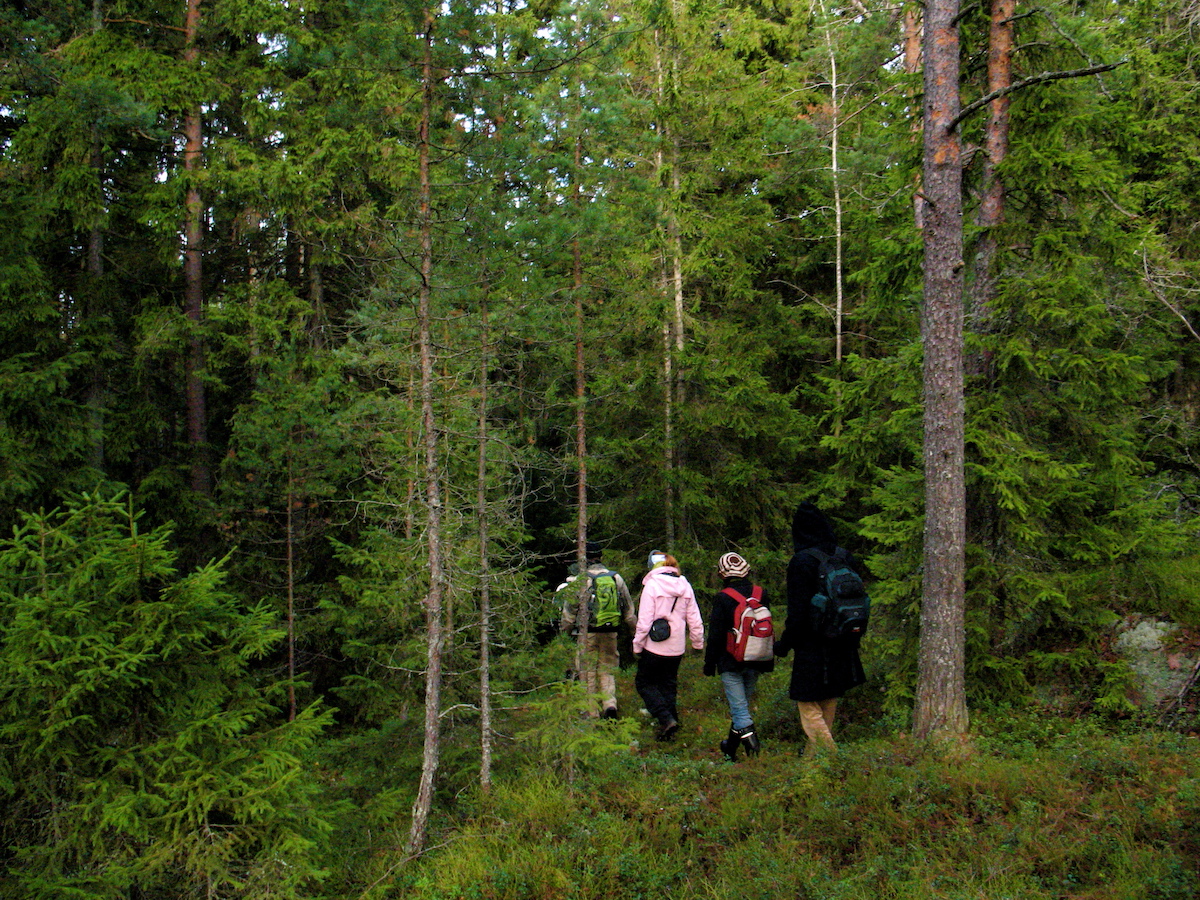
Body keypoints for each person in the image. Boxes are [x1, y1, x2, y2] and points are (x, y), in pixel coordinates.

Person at [774, 502, 866, 754]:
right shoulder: (844, 556)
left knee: (806, 701)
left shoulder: (802, 561)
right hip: (845, 638)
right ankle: (815, 764)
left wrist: (784, 644)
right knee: (829, 696)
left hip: (813, 643)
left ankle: (831, 757)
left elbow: (798, 612)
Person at [703, 551, 774, 760]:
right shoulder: (761, 594)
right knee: (740, 707)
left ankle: (755, 755)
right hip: (757, 657)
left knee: (740, 711)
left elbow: (716, 635)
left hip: (730, 661)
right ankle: (730, 749)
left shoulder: (723, 598)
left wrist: (709, 664)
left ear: (722, 574)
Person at [558, 542, 636, 718]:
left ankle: (591, 710)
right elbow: (628, 610)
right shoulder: (616, 578)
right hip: (610, 631)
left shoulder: (580, 580)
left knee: (587, 669)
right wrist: (635, 632)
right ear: (600, 558)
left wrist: (566, 632)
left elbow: (569, 612)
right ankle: (610, 705)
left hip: (587, 632)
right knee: (607, 668)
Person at [632, 551, 704, 741]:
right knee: (668, 684)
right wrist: (697, 643)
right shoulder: (685, 584)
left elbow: (644, 621)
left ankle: (665, 719)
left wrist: (637, 646)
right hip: (677, 647)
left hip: (654, 646)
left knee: (644, 682)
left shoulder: (652, 586)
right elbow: (695, 618)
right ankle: (671, 725)